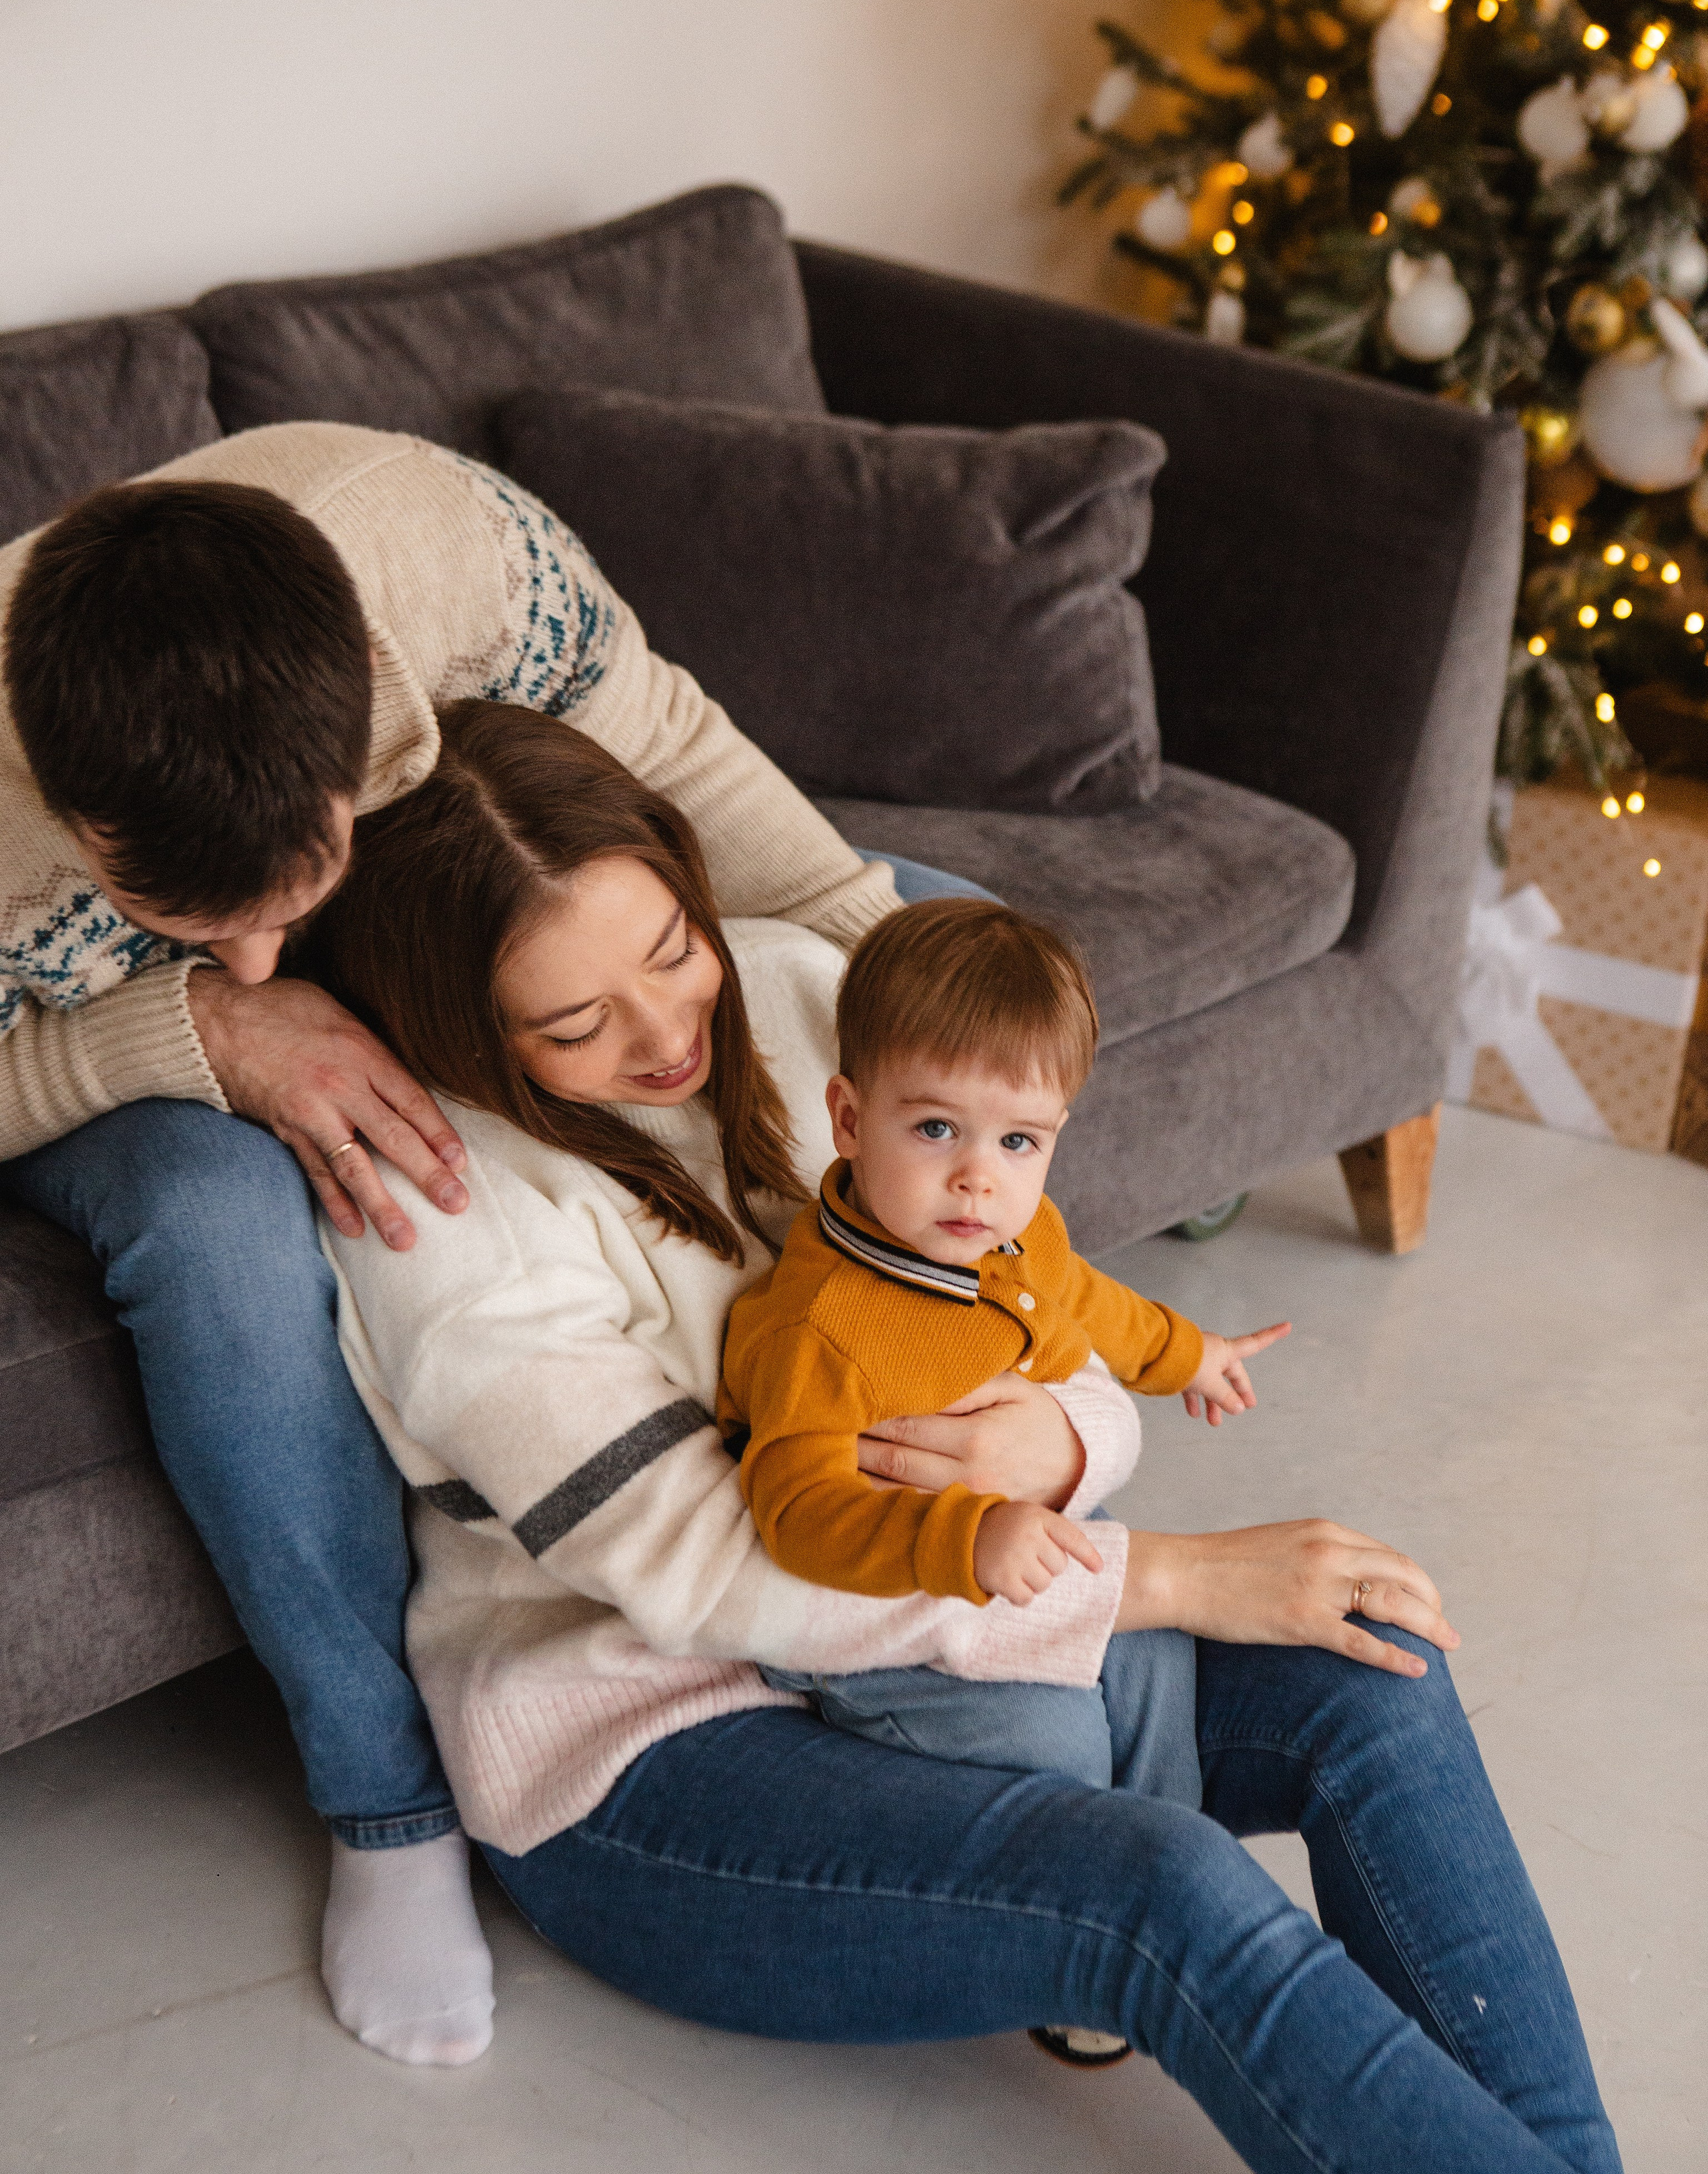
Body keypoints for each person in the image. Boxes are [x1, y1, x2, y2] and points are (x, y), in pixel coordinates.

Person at [314, 700, 1621, 2173]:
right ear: (461, 1030)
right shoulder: (435, 1213)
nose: (672, 1030)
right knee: (1164, 1888)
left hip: (963, 1633)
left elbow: (1041, 1325)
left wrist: (1056, 1453)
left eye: (673, 950)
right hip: (659, 1752)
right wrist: (1165, 1580)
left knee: (1372, 1665)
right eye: (573, 1023)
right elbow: (712, 1575)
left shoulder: (817, 996)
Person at [0, 424, 983, 2065]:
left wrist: (891, 970)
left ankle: (932, 1447)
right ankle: (386, 1810)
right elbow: (206, 994)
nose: (253, 950)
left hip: (421, 910)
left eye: (280, 896)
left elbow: (661, 733)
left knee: (945, 939)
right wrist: (201, 1029)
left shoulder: (444, 549)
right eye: (196, 916)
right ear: (76, 826)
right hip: (89, 1058)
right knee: (225, 1225)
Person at [721, 896, 1289, 1814]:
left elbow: (1090, 1301)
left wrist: (1188, 1354)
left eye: (1019, 1140)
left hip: (1003, 1539)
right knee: (1047, 1740)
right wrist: (965, 1539)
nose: (979, 1178)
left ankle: (1169, 1852)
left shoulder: (1015, 1234)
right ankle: (1080, 1868)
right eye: (937, 1128)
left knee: (1154, 1647)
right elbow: (798, 1514)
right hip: (871, 1604)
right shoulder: (821, 1326)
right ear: (849, 1117)